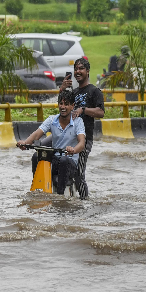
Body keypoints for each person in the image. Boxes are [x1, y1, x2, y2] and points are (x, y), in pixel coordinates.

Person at [17, 89, 86, 195]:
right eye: (61, 104)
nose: (63, 107)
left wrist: (73, 150)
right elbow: (37, 134)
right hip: (55, 160)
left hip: (70, 163)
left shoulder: (78, 122)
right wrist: (25, 143)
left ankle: (60, 196)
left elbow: (82, 143)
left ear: (72, 106)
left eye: (66, 104)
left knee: (64, 160)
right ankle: (38, 190)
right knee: (36, 156)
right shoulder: (51, 119)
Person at [59, 58, 104, 198]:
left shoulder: (94, 91)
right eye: (76, 69)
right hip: (67, 137)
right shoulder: (74, 92)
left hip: (84, 140)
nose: (77, 72)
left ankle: (85, 201)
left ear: (87, 71)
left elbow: (101, 112)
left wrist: (83, 110)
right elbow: (61, 107)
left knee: (79, 173)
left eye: (81, 69)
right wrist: (62, 89)